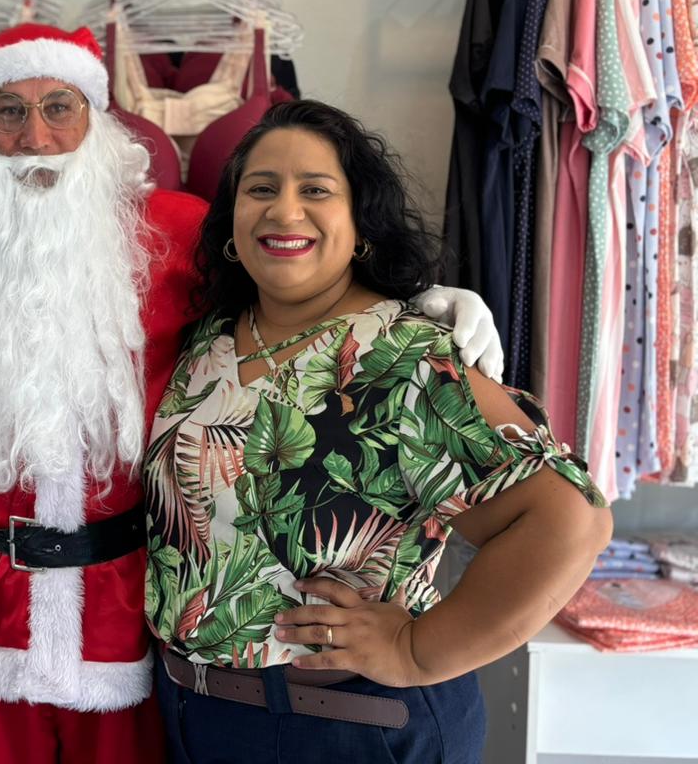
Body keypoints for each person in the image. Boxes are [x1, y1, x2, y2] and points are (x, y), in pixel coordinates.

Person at [0, 25, 503, 764]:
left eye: (59, 108)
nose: (35, 136)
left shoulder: (175, 231)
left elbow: (291, 269)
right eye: (8, 112)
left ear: (95, 118)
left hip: (122, 613)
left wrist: (419, 296)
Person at [145, 100, 611, 764]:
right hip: (196, 717)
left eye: (315, 190)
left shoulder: (403, 356)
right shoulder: (209, 341)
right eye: (261, 189)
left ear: (361, 224)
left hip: (345, 726)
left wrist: (416, 649)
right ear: (232, 220)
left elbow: (570, 518)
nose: (284, 211)